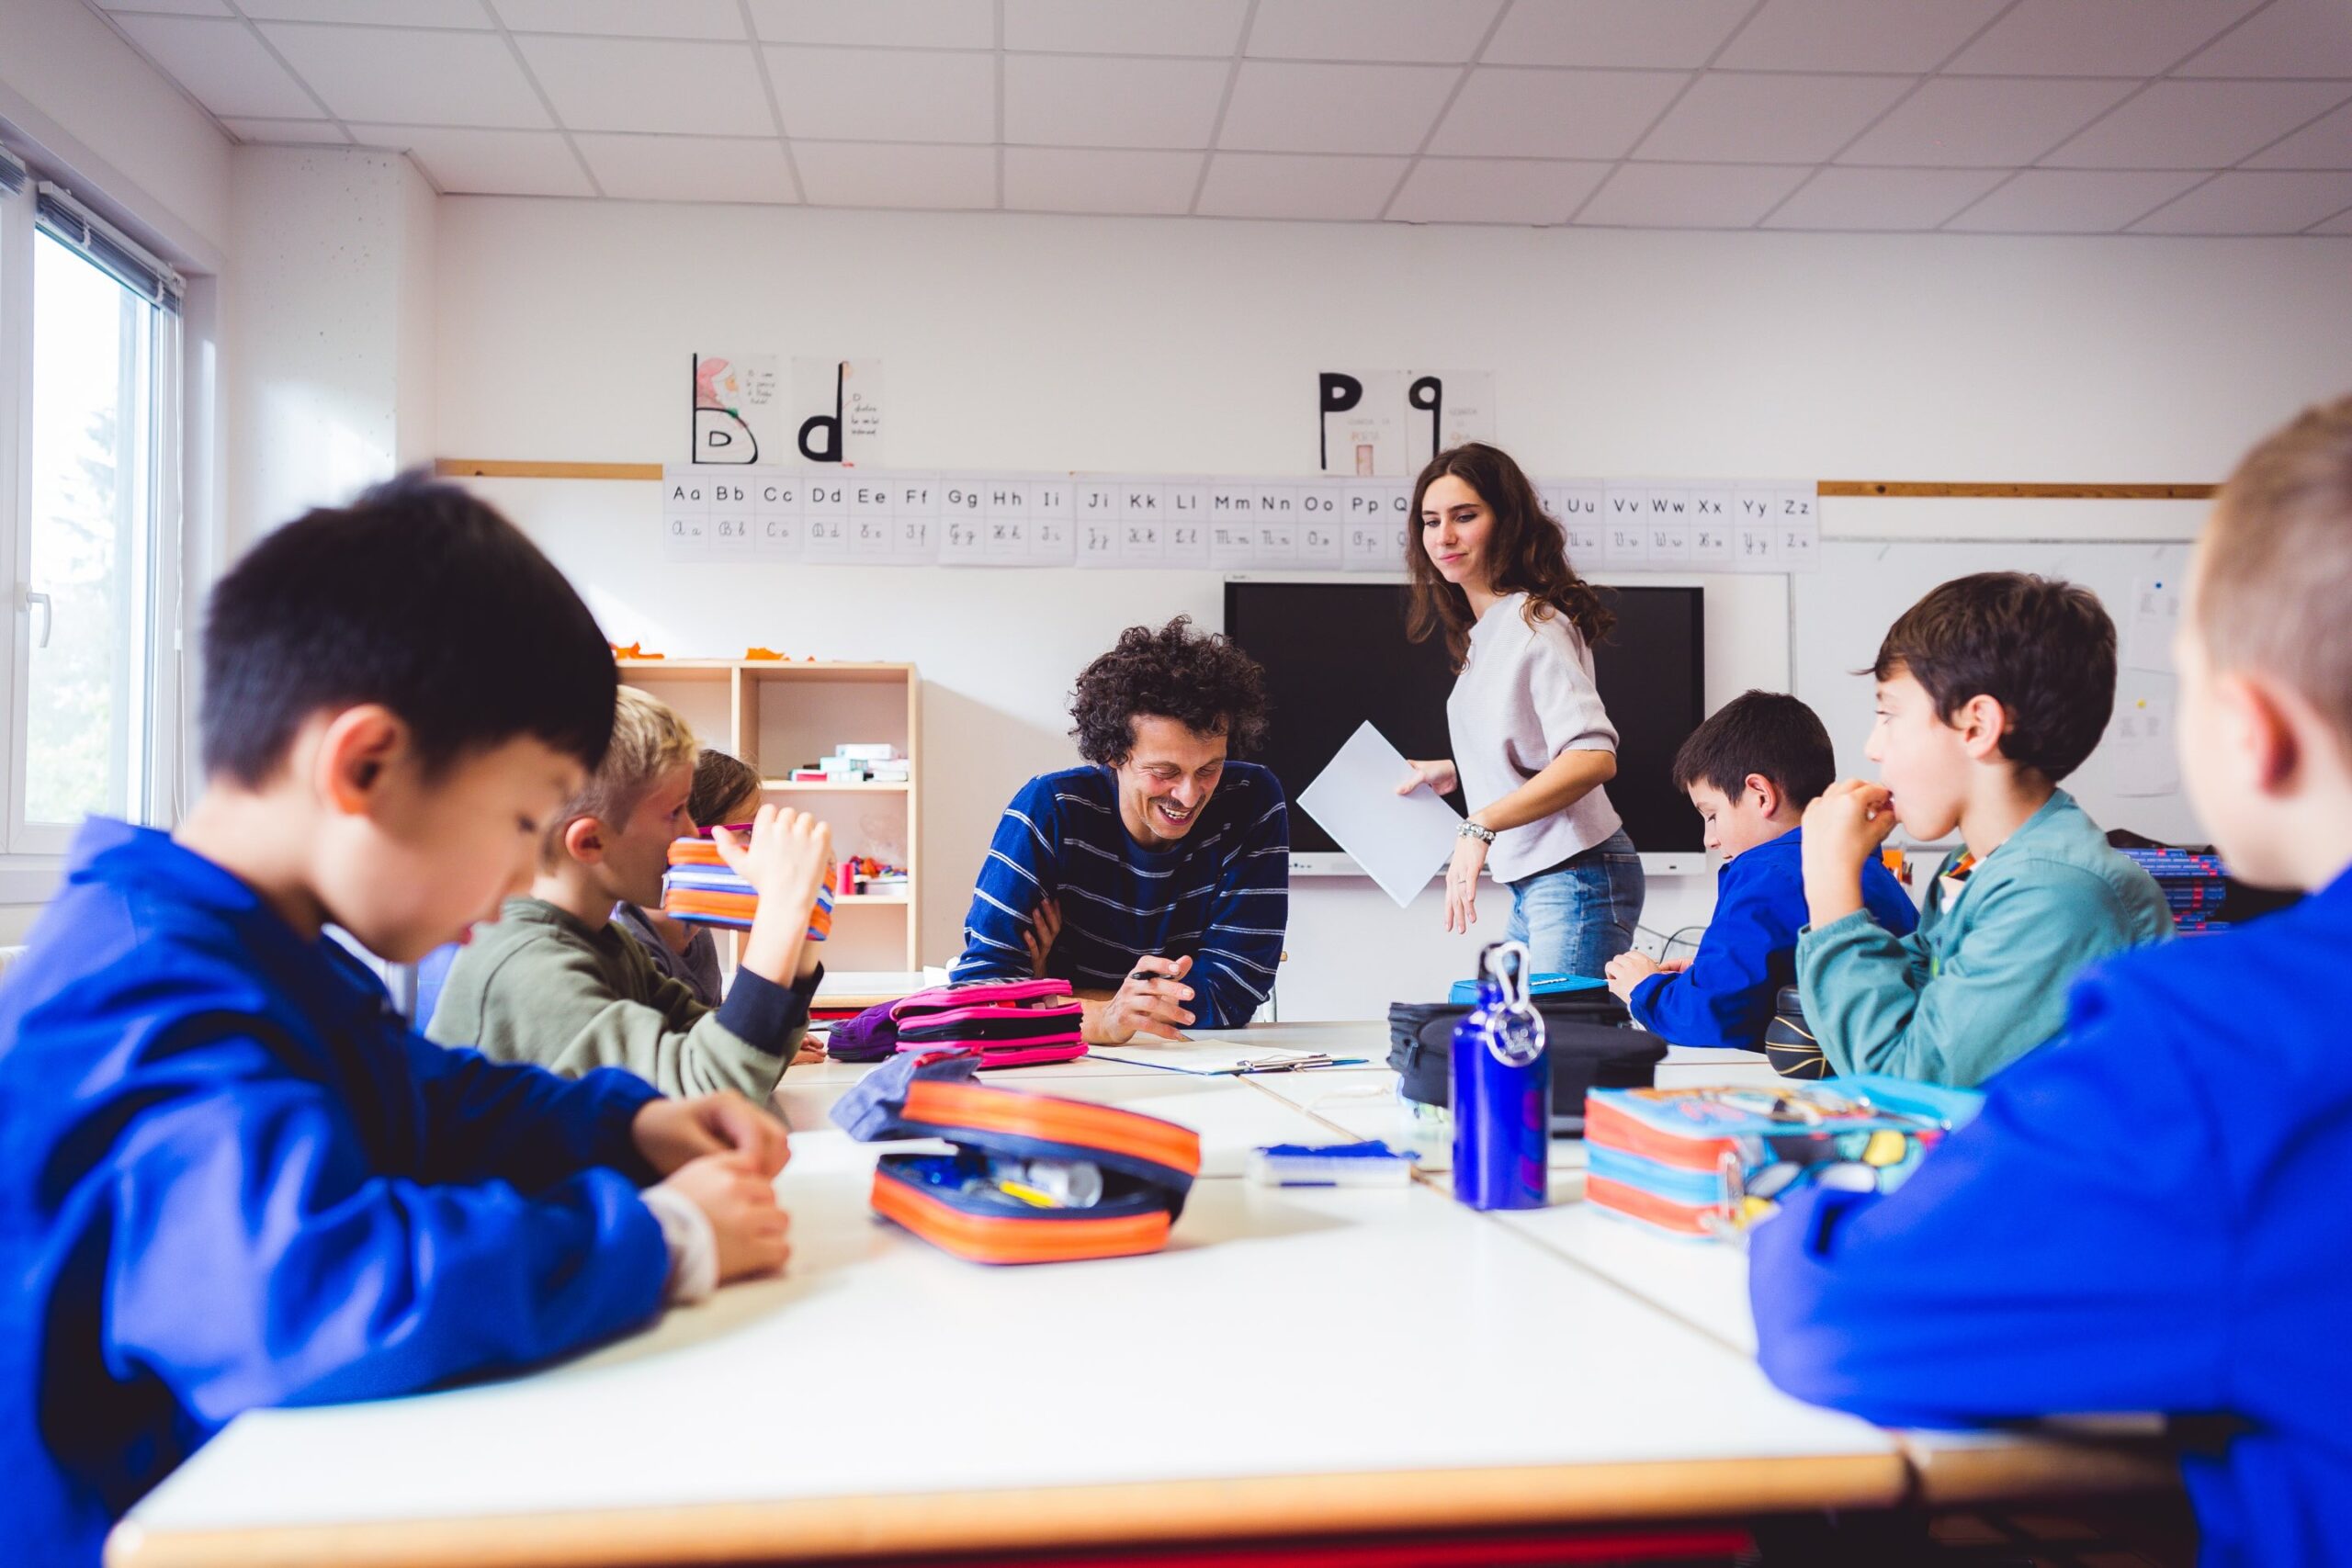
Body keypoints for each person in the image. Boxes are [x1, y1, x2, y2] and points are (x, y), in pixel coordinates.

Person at [0, 476, 795, 1566]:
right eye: (520, 819)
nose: (523, 867)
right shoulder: (149, 991)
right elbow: (311, 1299)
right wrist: (669, 1238)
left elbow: (432, 1098)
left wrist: (628, 1128)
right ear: (365, 766)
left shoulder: (267, 952)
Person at [1754, 391, 2352, 1568]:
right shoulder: (1974, 876)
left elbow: (1846, 1296)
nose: (1871, 745)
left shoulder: (2213, 1040)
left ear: (2253, 731)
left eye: (1885, 715)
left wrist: (1789, 1198)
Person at [1795, 571, 2174, 1087]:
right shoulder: (1971, 865)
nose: (1873, 747)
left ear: (1977, 727)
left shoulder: (2055, 893)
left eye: (1888, 714)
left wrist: (1830, 892)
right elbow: (1911, 1005)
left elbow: (1905, 1082)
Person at [431, 687, 831, 1100]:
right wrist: (780, 916)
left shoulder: (610, 942)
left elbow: (734, 1050)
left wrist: (803, 927)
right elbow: (706, 1088)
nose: (693, 833)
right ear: (590, 843)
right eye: (675, 813)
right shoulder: (529, 967)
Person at [951, 616, 1288, 1043]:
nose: (1188, 795)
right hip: (1063, 1066)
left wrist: (1057, 996)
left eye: (1208, 768)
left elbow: (1231, 995)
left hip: (1195, 1060)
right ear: (1113, 753)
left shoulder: (1251, 800)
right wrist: (1103, 1019)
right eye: (1164, 771)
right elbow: (980, 992)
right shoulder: (1050, 810)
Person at [1396, 442, 1644, 977]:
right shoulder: (1491, 631)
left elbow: (1592, 757)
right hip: (1543, 877)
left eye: (1465, 516)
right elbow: (1537, 744)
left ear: (1505, 522)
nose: (1444, 536)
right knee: (1513, 1036)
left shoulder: (1535, 622)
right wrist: (1458, 769)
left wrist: (1478, 825)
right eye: (1430, 520)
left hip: (1575, 870)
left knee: (1555, 1047)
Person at [1604, 690, 1917, 1049]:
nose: (1710, 839)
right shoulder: (1865, 866)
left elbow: (1712, 1017)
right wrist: (1705, 975)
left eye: (1712, 815)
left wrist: (1645, 989)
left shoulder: (1766, 875)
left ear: (1760, 795)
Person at [613, 748, 763, 1006]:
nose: (761, 848)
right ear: (691, 841)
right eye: (748, 832)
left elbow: (704, 1033)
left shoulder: (696, 934)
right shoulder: (630, 948)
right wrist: (778, 929)